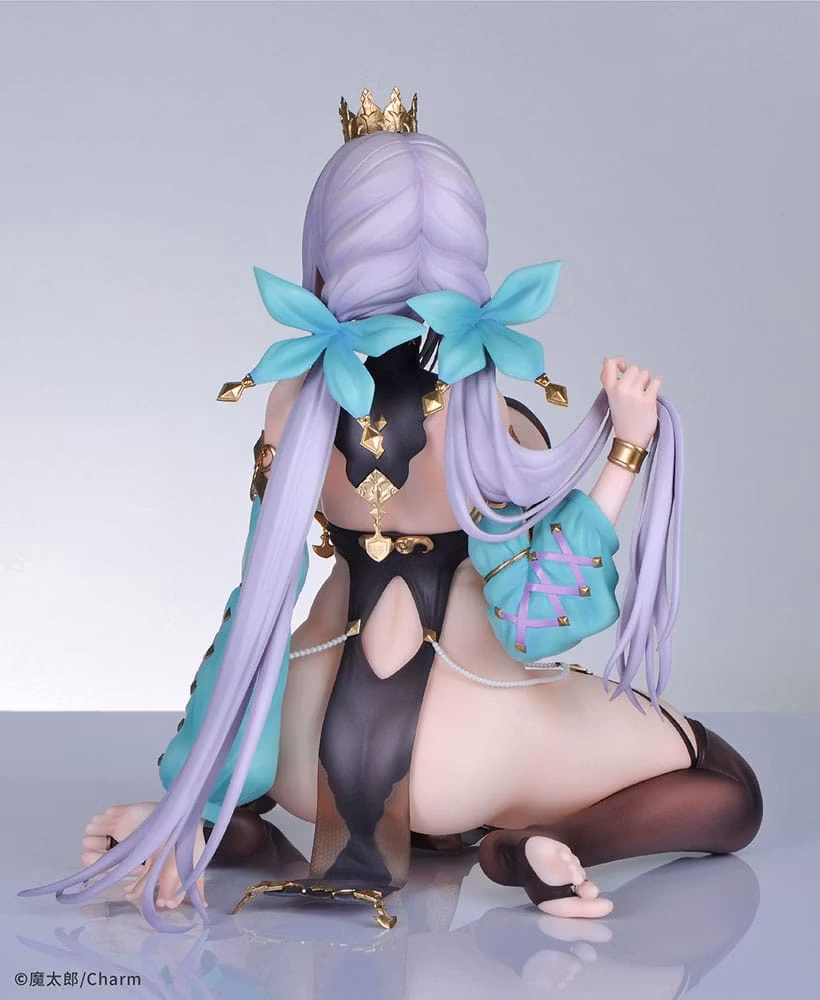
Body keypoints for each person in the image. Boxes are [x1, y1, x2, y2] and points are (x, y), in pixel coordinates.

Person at [20, 89, 762, 932]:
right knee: (728, 789)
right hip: (468, 748)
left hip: (303, 759)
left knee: (271, 683)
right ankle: (535, 842)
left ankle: (223, 825)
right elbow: (536, 619)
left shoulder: (294, 403)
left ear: (327, 251)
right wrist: (627, 447)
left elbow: (256, 603)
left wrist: (201, 786)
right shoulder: (483, 414)